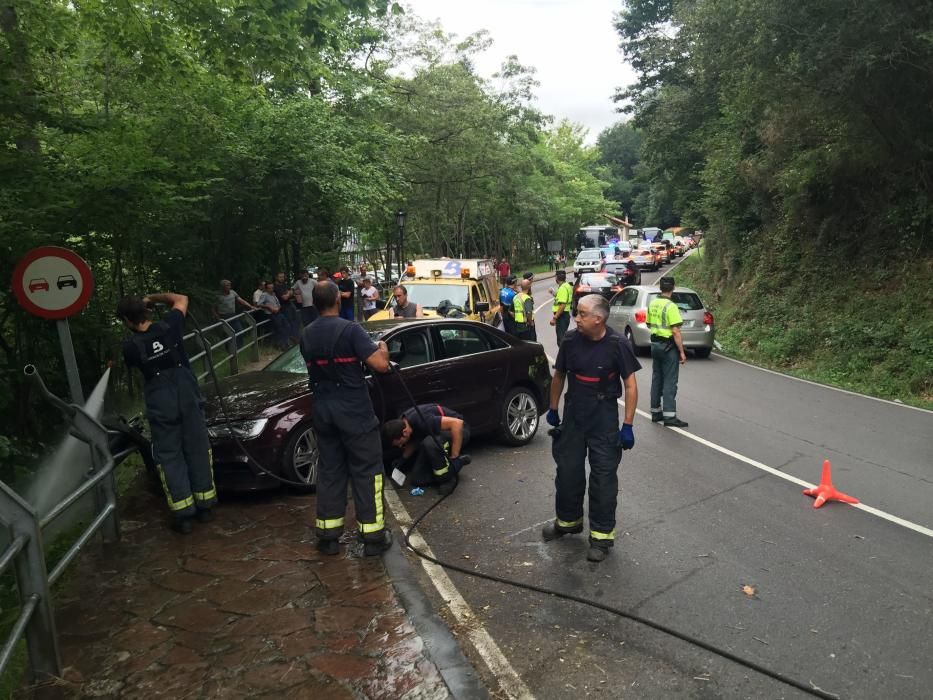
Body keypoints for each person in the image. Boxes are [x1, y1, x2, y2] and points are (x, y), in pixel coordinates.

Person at [543, 294, 639, 562]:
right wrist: (553, 409)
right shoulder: (571, 340)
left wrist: (627, 425)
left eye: (582, 314)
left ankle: (601, 537)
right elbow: (559, 375)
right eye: (577, 313)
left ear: (598, 319)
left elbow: (630, 385)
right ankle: (568, 521)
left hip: (603, 417)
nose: (576, 318)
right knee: (568, 472)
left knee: (603, 479)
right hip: (574, 415)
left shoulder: (618, 344)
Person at [300, 281, 392, 556]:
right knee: (367, 469)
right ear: (338, 300)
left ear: (315, 303)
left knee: (330, 470)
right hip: (353, 411)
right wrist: (382, 349)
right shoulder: (350, 330)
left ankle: (328, 535)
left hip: (324, 410)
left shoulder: (306, 334)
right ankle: (373, 536)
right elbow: (380, 365)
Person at [117, 293, 216, 534]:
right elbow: (181, 299)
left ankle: (184, 516)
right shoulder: (170, 325)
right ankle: (205, 506)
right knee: (198, 449)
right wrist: (153, 297)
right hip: (188, 397)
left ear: (127, 321)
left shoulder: (130, 348)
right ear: (147, 311)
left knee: (170, 456)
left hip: (162, 404)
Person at [383, 404, 469, 496]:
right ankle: (453, 466)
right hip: (437, 435)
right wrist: (402, 459)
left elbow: (457, 423)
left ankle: (448, 477)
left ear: (405, 432)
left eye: (400, 443)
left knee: (430, 443)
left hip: (459, 431)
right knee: (418, 479)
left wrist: (454, 456)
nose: (401, 446)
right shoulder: (403, 422)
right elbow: (414, 441)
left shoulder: (422, 420)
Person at [648, 277, 688, 427]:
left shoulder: (653, 303)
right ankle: (670, 416)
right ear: (673, 287)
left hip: (655, 345)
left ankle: (655, 412)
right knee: (670, 381)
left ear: (660, 287)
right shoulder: (671, 306)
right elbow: (676, 331)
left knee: (657, 379)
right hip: (668, 347)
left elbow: (649, 323)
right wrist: (682, 352)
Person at [214, 279, 255, 350]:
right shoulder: (218, 295)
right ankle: (229, 350)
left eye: (229, 285)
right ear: (222, 287)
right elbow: (213, 308)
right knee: (227, 334)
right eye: (227, 285)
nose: (229, 287)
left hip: (233, 315)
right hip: (223, 316)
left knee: (240, 331)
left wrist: (250, 306)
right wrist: (218, 318)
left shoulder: (233, 292)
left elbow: (241, 300)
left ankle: (239, 348)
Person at [257, 281, 290, 350]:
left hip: (278, 312)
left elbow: (278, 303)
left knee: (287, 326)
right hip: (271, 314)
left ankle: (286, 342)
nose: (271, 289)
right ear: (266, 289)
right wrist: (268, 307)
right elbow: (259, 304)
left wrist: (278, 308)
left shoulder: (273, 295)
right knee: (279, 328)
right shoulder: (264, 295)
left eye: (272, 288)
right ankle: (280, 345)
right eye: (269, 288)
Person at [549, 270, 573, 344]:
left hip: (562, 316)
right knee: (563, 338)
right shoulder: (566, 285)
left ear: (557, 277)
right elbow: (562, 297)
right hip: (564, 315)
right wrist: (553, 293)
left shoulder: (562, 288)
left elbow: (562, 305)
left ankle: (564, 355)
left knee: (561, 340)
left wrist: (555, 318)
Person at [273, 271, 298, 343]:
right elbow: (284, 298)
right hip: (284, 306)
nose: (282, 278)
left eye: (283, 277)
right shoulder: (276, 287)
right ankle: (289, 340)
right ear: (276, 277)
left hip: (290, 304)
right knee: (288, 322)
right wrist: (288, 294)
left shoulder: (284, 285)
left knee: (295, 320)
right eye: (280, 277)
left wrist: (288, 294)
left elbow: (292, 291)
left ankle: (295, 337)